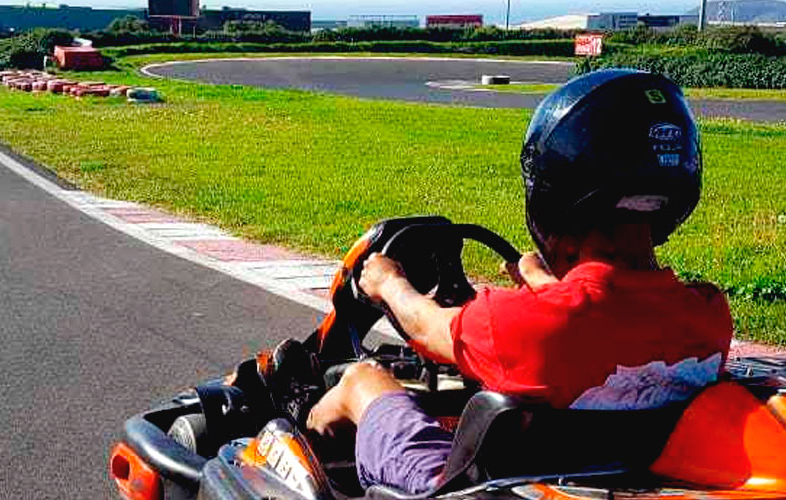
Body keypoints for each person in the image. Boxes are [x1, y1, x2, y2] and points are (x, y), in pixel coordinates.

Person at [303, 69, 736, 496]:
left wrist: (387, 281)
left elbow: (425, 326)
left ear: (556, 190)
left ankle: (317, 458)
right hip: (619, 476)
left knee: (362, 380)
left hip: (462, 487)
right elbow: (604, 325)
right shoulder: (709, 316)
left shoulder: (518, 324)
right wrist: (541, 280)